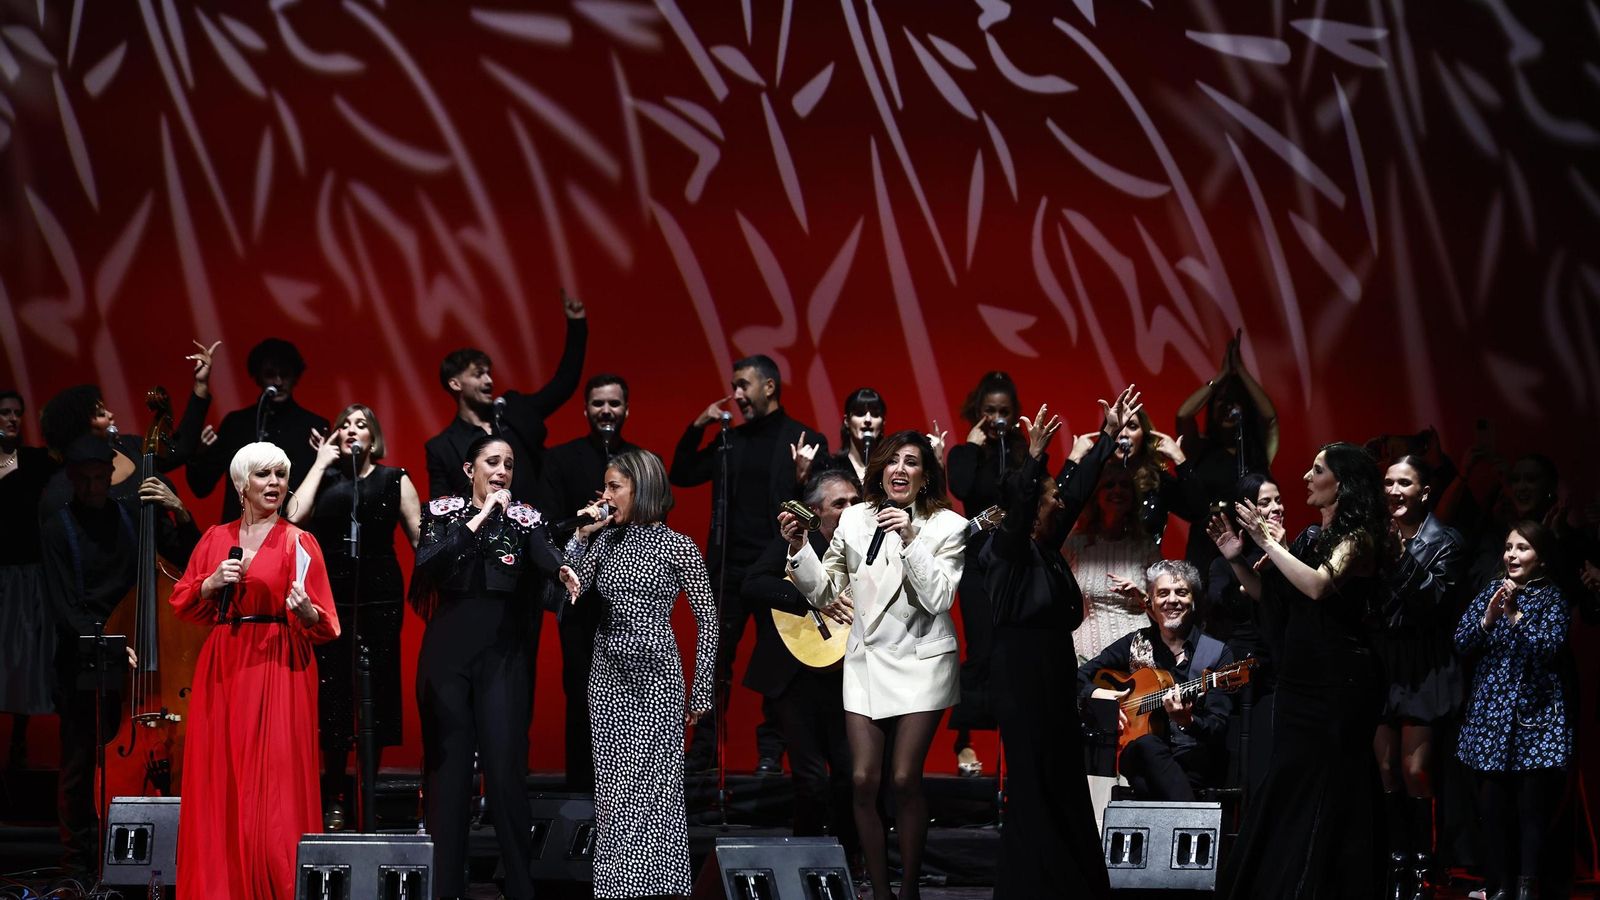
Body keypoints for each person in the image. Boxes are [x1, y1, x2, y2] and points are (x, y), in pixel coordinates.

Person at [782, 430, 967, 900]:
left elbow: (939, 596)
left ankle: (909, 890)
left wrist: (909, 538)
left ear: (925, 477)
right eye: (892, 461)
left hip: (922, 660)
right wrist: (801, 548)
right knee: (863, 779)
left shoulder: (948, 526)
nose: (900, 469)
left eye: (911, 462)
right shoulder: (856, 521)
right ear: (880, 470)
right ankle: (880, 892)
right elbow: (827, 593)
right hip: (866, 663)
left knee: (904, 777)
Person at [1210, 442, 1390, 898]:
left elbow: (1318, 585)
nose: (1306, 478)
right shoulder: (1308, 538)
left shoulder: (1361, 537)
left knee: (1332, 784)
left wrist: (1269, 541)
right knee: (1289, 780)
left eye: (1317, 470)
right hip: (1299, 680)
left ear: (1342, 485)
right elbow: (1271, 596)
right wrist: (1236, 556)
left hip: (1341, 683)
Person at [410, 434, 578, 900]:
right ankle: (445, 888)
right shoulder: (441, 513)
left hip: (503, 658)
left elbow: (545, 554)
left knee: (505, 774)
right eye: (492, 462)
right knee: (449, 775)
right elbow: (431, 565)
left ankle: (520, 889)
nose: (502, 470)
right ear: (470, 470)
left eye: (509, 463)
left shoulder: (525, 519)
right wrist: (481, 516)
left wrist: (560, 569)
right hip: (446, 658)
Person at [168, 442, 339, 898]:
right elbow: (183, 601)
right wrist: (210, 583)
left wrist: (305, 615)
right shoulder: (214, 538)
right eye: (264, 475)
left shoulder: (298, 542)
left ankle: (275, 886)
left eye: (281, 475)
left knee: (276, 790)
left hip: (279, 663)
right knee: (221, 781)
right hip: (225, 663)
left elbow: (327, 623)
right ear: (242, 484)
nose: (276, 484)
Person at [979, 399, 1121, 898]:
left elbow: (1075, 495)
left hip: (1054, 675)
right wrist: (1035, 456)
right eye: (1049, 495)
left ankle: (1068, 884)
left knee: (1063, 783)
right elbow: (1022, 508)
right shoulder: (1006, 548)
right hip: (1022, 678)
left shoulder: (1044, 545)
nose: (1059, 501)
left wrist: (1106, 440)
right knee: (1036, 787)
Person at [38, 435, 199, 874]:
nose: (92, 489)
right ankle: (78, 864)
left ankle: (141, 857)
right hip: (85, 654)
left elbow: (190, 558)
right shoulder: (57, 528)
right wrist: (106, 641)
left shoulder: (132, 517)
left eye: (99, 479)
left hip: (137, 656)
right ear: (72, 479)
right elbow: (64, 606)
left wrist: (180, 510)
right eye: (84, 481)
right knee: (80, 761)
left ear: (111, 476)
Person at [562, 449, 716, 899]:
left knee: (657, 789)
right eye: (605, 486)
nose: (605, 496)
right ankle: (617, 889)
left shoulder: (678, 545)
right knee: (614, 791)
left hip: (658, 679)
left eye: (614, 487)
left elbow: (708, 618)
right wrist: (581, 534)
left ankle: (663, 888)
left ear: (641, 488)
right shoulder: (605, 542)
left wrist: (701, 689)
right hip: (607, 675)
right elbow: (572, 587)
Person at [670, 354, 828, 774]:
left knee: (777, 663)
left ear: (769, 387)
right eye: (735, 386)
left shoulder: (805, 439)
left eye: (743, 385)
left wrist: (803, 481)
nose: (736, 395)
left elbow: (824, 506)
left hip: (778, 572)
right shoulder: (729, 441)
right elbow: (681, 473)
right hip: (729, 570)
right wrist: (699, 424)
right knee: (714, 661)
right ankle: (703, 752)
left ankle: (772, 754)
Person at [285, 404, 422, 830]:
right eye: (343, 424)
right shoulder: (325, 478)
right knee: (334, 694)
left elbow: (420, 537)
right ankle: (334, 794)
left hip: (380, 598)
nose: (351, 430)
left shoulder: (393, 478)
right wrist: (320, 461)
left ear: (374, 436)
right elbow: (292, 518)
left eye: (361, 424)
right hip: (331, 600)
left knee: (376, 692)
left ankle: (367, 789)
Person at [742, 468, 862, 859]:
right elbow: (753, 583)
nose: (849, 509)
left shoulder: (867, 545)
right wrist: (811, 598)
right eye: (839, 503)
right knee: (810, 779)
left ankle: (850, 862)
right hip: (796, 675)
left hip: (846, 673)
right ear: (816, 511)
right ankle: (806, 864)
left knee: (849, 775)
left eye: (855, 502)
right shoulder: (798, 541)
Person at [1454, 522, 1571, 900]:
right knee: (1491, 807)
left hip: (1532, 717)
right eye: (1508, 547)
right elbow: (1461, 640)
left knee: (1531, 810)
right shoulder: (1493, 589)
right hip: (1491, 715)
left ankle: (1526, 888)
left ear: (1541, 557)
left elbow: (1547, 647)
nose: (1512, 555)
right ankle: (1498, 885)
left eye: (1522, 548)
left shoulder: (1552, 598)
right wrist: (1488, 619)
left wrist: (1515, 618)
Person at [536, 373, 638, 791]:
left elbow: (657, 520)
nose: (606, 411)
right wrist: (583, 525)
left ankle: (628, 787)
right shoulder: (561, 459)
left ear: (626, 409)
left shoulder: (642, 461)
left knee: (632, 696)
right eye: (598, 404)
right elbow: (547, 526)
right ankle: (582, 791)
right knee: (580, 694)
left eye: (613, 403)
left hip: (631, 594)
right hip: (580, 595)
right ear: (586, 410)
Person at [1373, 455, 1468, 898]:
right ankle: (1396, 861)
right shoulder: (1375, 536)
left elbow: (1435, 603)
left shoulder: (1445, 540)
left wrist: (1398, 557)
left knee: (1416, 769)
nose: (1393, 490)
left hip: (1424, 661)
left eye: (1404, 483)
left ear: (1423, 491)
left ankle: (1425, 864)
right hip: (1383, 661)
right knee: (1387, 766)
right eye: (1388, 482)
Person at [1078, 559, 1236, 801]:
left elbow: (1218, 725)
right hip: (1137, 754)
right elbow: (1077, 676)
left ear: (1193, 601)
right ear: (1150, 601)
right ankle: (1190, 821)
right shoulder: (1134, 643)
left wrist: (1188, 721)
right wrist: (1099, 694)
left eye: (1181, 593)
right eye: (1163, 593)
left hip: (1193, 761)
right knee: (1146, 745)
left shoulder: (1216, 653)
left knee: (1146, 774)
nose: (1172, 600)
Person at [423, 291, 588, 501]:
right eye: (478, 374)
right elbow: (441, 505)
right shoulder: (442, 447)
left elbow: (563, 384)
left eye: (488, 373)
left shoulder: (514, 411)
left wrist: (577, 325)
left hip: (535, 526)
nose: (489, 381)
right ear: (455, 383)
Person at [944, 371, 1026, 776]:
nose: (997, 420)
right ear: (977, 414)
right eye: (989, 411)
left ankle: (1013, 744)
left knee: (1012, 652)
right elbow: (961, 488)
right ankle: (965, 740)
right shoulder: (964, 452)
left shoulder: (1021, 451)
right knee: (980, 648)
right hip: (977, 560)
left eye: (1004, 413)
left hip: (1015, 560)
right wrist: (973, 449)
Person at [38, 340, 218, 514]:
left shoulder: (131, 446)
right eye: (101, 414)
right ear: (80, 428)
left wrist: (201, 384)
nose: (111, 415)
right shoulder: (65, 488)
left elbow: (181, 449)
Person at [184, 338, 328, 523]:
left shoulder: (314, 426)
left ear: (296, 377)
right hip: (240, 534)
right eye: (270, 374)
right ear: (258, 377)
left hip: (291, 534)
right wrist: (198, 455)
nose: (278, 381)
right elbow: (201, 487)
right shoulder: (236, 423)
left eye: (285, 374)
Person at [1175, 331, 1279, 569]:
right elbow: (1184, 414)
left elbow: (1270, 418)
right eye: (1221, 401)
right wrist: (1220, 377)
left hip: (1254, 538)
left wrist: (1240, 371)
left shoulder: (1257, 450)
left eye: (1234, 400)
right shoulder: (1200, 447)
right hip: (1209, 539)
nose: (1227, 406)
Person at [0, 390, 60, 765]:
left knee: (20, 656)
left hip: (24, 576)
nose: (11, 419)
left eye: (16, 413)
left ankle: (18, 742)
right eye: (4, 412)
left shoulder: (35, 461)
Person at [1065, 464, 1161, 662]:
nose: (1117, 490)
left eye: (1124, 485)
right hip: (1086, 656)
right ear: (1096, 495)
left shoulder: (1145, 546)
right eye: (1109, 485)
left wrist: (1142, 596)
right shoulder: (1076, 543)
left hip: (1136, 656)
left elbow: (1164, 605)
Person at [824, 386, 887, 483]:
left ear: (883, 423)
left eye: (875, 414)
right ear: (847, 421)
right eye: (860, 413)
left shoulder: (890, 467)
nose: (868, 420)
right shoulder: (831, 468)